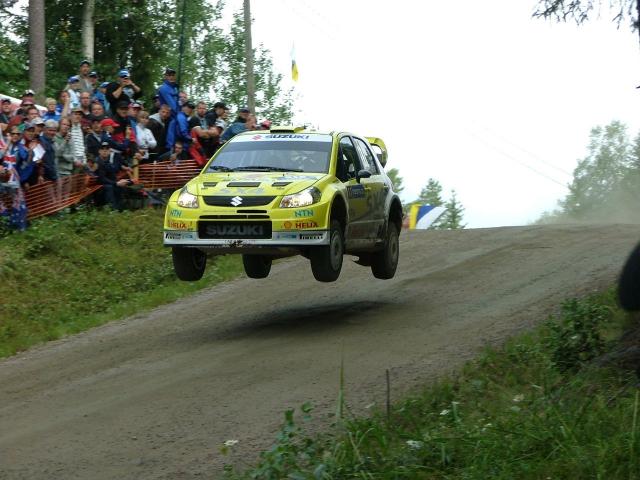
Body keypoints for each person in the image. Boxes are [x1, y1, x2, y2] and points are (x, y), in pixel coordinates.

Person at [94, 141, 133, 211]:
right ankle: (113, 210)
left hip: (106, 184)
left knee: (120, 187)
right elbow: (101, 179)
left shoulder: (108, 161)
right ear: (99, 151)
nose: (105, 151)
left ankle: (120, 209)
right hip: (97, 187)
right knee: (110, 187)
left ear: (109, 151)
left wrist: (119, 182)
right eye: (103, 149)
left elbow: (112, 174)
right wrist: (116, 183)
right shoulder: (97, 161)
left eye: (107, 149)